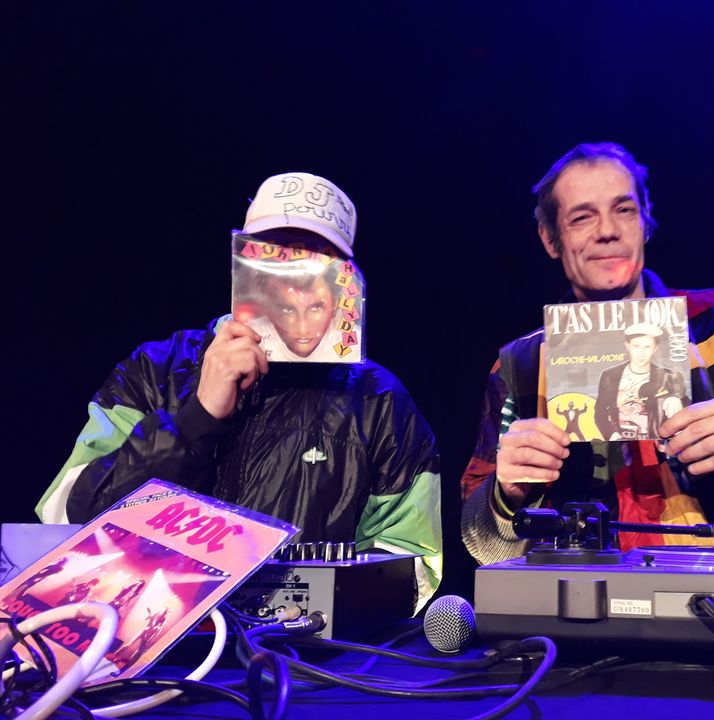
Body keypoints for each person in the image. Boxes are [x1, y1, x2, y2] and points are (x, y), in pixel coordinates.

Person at [36, 172, 442, 611]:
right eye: (275, 254)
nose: (295, 278)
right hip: (145, 634)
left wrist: (320, 613)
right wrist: (196, 418)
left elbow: (411, 564)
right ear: (246, 264)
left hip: (297, 648)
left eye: (317, 259)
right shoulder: (155, 368)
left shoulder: (379, 401)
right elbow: (65, 520)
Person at [461, 143, 714, 563]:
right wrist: (506, 496)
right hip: (581, 595)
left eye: (623, 210)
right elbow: (481, 546)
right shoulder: (521, 365)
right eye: (582, 217)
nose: (607, 230)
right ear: (550, 239)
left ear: (645, 221)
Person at [594, 323, 689, 440]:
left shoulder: (670, 377)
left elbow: (687, 407)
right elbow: (600, 412)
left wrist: (676, 399)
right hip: (620, 441)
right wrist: (612, 435)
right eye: (636, 346)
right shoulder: (609, 376)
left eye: (647, 347)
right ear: (627, 346)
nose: (641, 353)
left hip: (657, 441)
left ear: (655, 348)